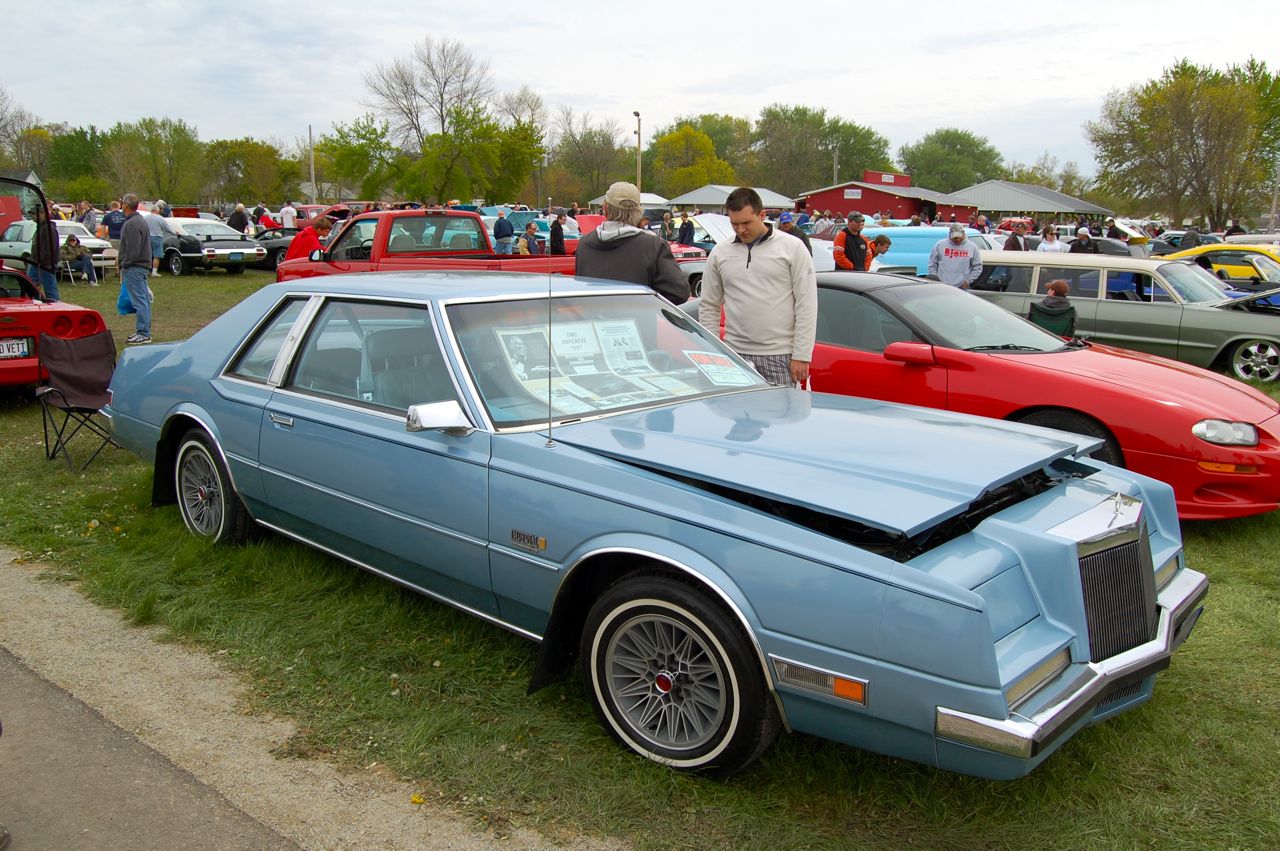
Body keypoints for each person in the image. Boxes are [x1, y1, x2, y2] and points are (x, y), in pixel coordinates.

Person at [698, 187, 816, 387]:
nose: (741, 230)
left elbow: (806, 304)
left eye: (746, 223)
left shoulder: (793, 248)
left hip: (780, 357)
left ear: (762, 215)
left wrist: (802, 355)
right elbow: (709, 304)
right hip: (734, 354)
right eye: (734, 224)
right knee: (734, 416)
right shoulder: (720, 253)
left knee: (782, 418)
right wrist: (714, 351)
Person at [574, 181, 688, 304]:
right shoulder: (653, 246)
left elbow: (580, 292)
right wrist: (645, 305)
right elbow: (679, 292)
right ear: (639, 212)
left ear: (605, 208)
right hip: (637, 320)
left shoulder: (584, 244)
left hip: (593, 320)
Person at [119, 194, 153, 344]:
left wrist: (125, 263)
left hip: (135, 267)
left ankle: (143, 333)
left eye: (122, 203)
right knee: (142, 300)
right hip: (139, 266)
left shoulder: (133, 223)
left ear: (126, 205)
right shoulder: (138, 221)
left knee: (140, 301)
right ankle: (143, 331)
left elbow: (133, 248)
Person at [928, 223, 982, 288]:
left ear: (963, 233)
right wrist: (936, 279)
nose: (958, 240)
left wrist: (968, 282)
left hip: (962, 287)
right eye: (955, 238)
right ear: (950, 234)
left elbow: (977, 266)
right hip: (942, 286)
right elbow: (932, 264)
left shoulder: (972, 247)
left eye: (959, 237)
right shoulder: (940, 245)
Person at [27, 203, 60, 301]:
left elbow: (51, 248)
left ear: (43, 214)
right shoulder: (41, 227)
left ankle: (55, 308)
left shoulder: (48, 228)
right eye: (32, 214)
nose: (32, 216)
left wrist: (43, 261)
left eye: (34, 214)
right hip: (36, 263)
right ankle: (35, 302)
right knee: (29, 285)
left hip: (46, 264)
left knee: (50, 290)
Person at [144, 208, 173, 275]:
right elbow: (167, 228)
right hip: (157, 237)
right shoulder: (160, 218)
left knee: (147, 255)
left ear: (151, 211)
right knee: (156, 256)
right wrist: (174, 232)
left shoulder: (145, 218)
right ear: (157, 211)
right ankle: (154, 272)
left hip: (146, 237)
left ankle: (146, 271)